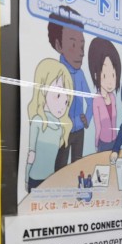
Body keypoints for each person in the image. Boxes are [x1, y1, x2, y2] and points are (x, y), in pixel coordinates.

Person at [47, 6, 91, 169]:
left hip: (79, 130)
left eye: (82, 45)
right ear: (59, 45)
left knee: (77, 167)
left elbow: (90, 100)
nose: (81, 52)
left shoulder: (80, 75)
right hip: (63, 130)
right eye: (73, 44)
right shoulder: (56, 73)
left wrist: (87, 118)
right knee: (60, 167)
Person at [24, 59, 74, 192]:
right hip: (35, 180)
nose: (62, 106)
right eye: (57, 96)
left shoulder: (60, 126)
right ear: (43, 90)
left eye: (66, 101)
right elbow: (31, 154)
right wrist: (26, 179)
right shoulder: (38, 121)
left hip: (51, 180)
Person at [87, 37, 120, 152]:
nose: (111, 81)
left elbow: (114, 122)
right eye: (105, 75)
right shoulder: (96, 100)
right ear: (96, 75)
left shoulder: (113, 97)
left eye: (113, 75)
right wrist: (96, 145)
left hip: (114, 141)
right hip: (103, 143)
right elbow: (98, 126)